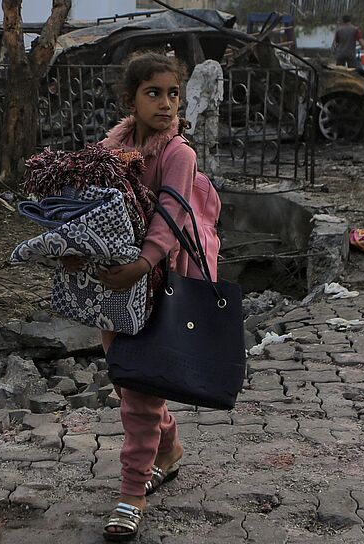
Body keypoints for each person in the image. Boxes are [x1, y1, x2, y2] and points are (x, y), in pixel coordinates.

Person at [83, 51, 222, 541]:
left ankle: (132, 492)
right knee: (128, 378)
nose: (166, 104)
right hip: (115, 282)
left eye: (173, 93)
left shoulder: (178, 153)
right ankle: (169, 451)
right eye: (153, 93)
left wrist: (142, 265)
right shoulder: (109, 149)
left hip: (160, 280)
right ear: (131, 99)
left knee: (139, 391)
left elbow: (171, 214)